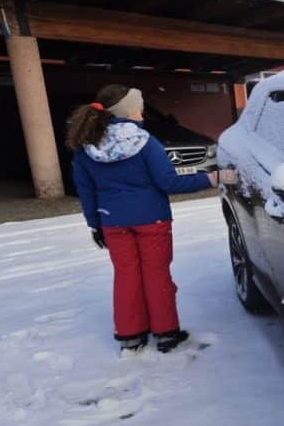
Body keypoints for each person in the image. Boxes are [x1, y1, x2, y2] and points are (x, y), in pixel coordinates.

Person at [67, 83, 230, 353]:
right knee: (156, 274)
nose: (142, 111)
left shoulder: (86, 145)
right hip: (151, 219)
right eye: (139, 106)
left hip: (113, 222)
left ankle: (131, 337)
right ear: (129, 111)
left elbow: (86, 191)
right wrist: (211, 178)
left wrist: (95, 225)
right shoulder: (144, 141)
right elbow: (168, 182)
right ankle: (166, 334)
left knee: (126, 276)